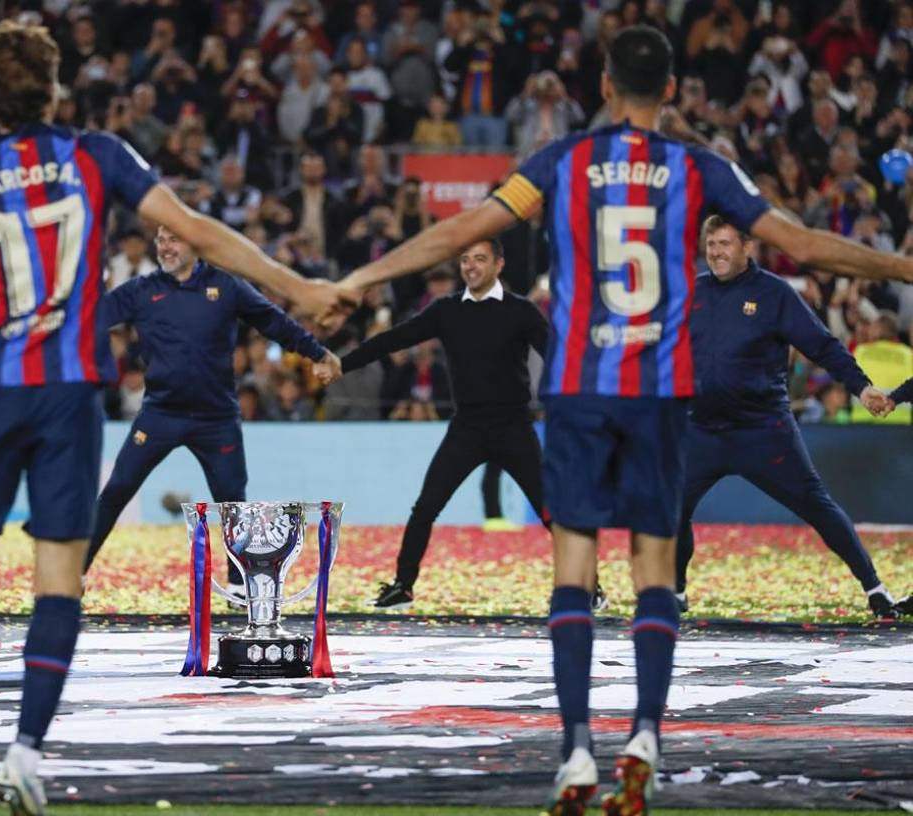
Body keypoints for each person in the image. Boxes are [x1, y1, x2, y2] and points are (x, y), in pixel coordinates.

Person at [0, 20, 354, 816]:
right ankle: (24, 757)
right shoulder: (98, 154)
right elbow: (202, 228)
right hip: (70, 389)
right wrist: (300, 284)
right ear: (53, 87)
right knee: (56, 578)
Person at [335, 24, 913, 816]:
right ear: (671, 90)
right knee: (652, 567)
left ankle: (576, 749)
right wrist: (906, 264)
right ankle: (644, 734)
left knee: (571, 567)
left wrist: (362, 275)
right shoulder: (699, 168)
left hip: (579, 389)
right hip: (658, 392)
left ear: (603, 86)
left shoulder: (562, 161)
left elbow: (460, 231)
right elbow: (804, 246)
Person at [321, 239, 607, 613]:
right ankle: (402, 587)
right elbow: (396, 338)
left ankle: (590, 585)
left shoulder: (522, 311)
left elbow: (557, 358)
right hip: (466, 427)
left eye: (480, 259)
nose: (471, 266)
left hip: (514, 426)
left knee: (551, 509)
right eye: (466, 260)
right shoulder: (447, 310)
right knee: (425, 508)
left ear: (499, 264)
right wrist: (344, 363)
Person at [678, 217, 910, 620]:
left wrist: (861, 386)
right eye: (710, 243)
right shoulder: (692, 293)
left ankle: (874, 588)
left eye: (724, 243)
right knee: (669, 507)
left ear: (748, 247)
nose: (715, 251)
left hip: (764, 431)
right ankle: (675, 592)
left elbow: (822, 345)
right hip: (703, 429)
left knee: (818, 506)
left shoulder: (773, 293)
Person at [85, 226, 335, 576]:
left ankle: (239, 588)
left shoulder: (227, 286)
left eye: (174, 238)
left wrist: (317, 352)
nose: (165, 247)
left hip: (216, 419)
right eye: (161, 240)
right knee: (116, 491)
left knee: (233, 503)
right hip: (160, 413)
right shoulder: (141, 290)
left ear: (197, 242)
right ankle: (74, 574)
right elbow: (86, 320)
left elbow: (273, 322)